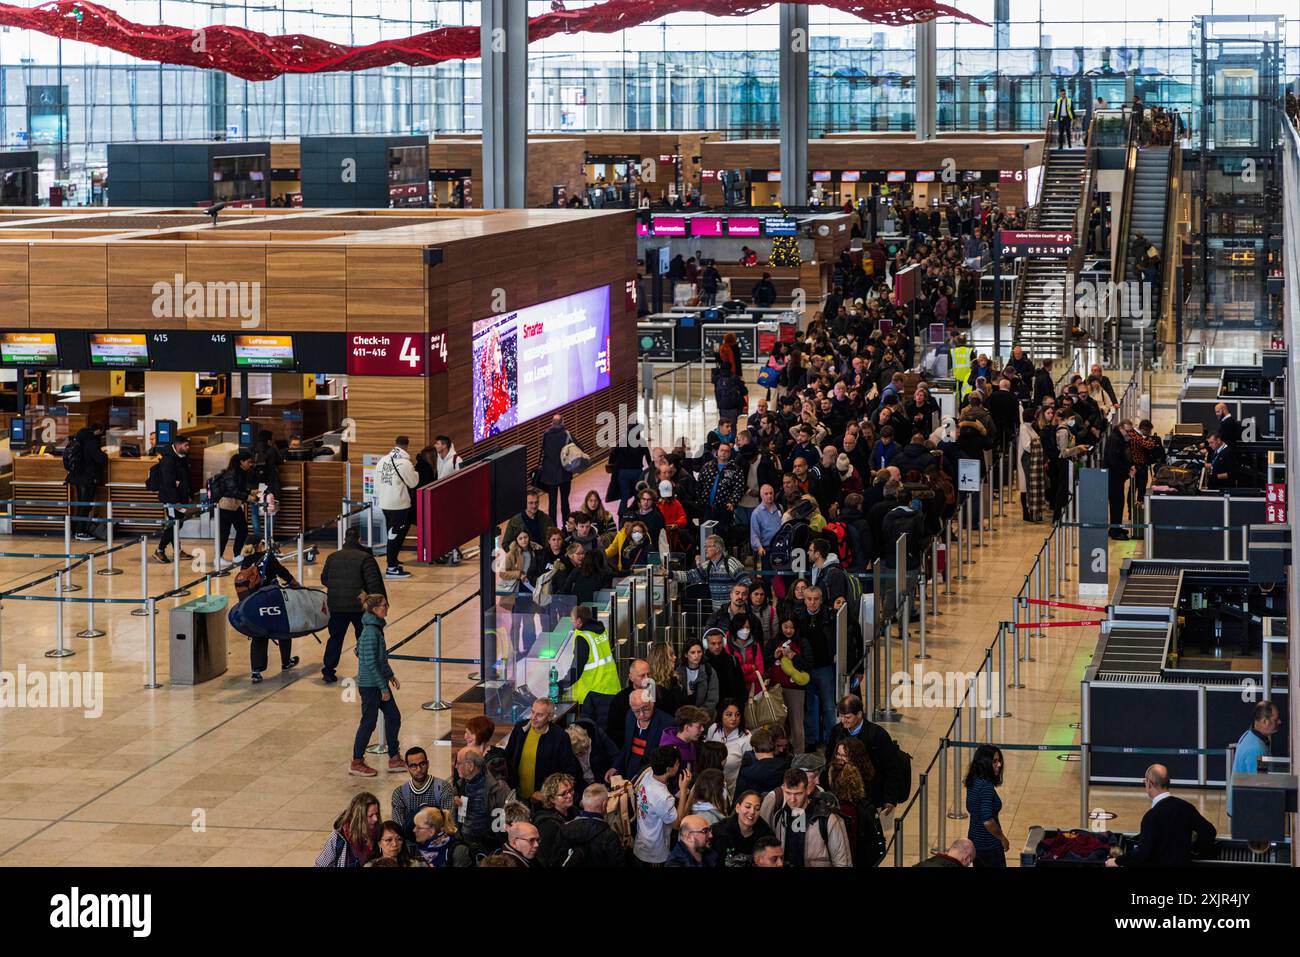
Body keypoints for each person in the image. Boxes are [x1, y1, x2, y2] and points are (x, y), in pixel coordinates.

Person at [1107, 764, 1217, 867]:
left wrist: (1117, 861)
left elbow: (1142, 853)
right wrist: (1192, 850)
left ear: (1149, 783)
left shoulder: (1151, 817)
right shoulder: (1186, 807)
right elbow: (1209, 832)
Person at [319, 527, 385, 684]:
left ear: (344, 539)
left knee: (335, 638)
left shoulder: (332, 557)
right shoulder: (365, 558)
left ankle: (328, 671)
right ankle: (367, 670)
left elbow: (324, 579)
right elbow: (373, 583)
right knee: (363, 639)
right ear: (359, 540)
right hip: (359, 607)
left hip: (336, 606)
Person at [825, 695, 905, 816]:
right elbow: (829, 760)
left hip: (872, 796)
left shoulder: (878, 735)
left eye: (847, 717)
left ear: (859, 714)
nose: (843, 720)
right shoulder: (837, 731)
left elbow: (892, 768)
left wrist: (889, 799)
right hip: (843, 797)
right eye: (841, 716)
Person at [349, 591, 401, 777]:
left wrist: (390, 675)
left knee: (393, 717)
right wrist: (382, 687)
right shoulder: (371, 631)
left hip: (378, 683)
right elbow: (370, 662)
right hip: (371, 686)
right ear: (374, 609)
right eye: (384, 605)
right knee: (368, 723)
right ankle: (357, 761)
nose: (387, 607)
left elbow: (380, 659)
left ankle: (394, 757)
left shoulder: (376, 628)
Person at [238, 541, 300, 684]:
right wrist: (293, 582)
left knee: (258, 633)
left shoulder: (246, 561)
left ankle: (256, 670)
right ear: (260, 544)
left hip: (254, 601)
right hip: (271, 596)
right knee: (283, 626)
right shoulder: (267, 556)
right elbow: (281, 570)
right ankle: (286, 661)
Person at [764, 767, 852, 867]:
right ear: (783, 789)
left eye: (798, 794)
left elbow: (843, 862)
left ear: (807, 791)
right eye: (788, 793)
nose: (792, 799)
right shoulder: (779, 817)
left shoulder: (827, 819)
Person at [503, 697, 580, 804]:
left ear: (550, 717)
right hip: (517, 795)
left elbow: (567, 772)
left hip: (543, 800)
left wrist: (546, 793)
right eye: (533, 712)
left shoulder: (560, 737)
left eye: (540, 715)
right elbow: (508, 756)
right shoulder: (520, 729)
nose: (533, 718)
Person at [633, 745, 690, 866]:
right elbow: (676, 824)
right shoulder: (663, 797)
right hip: (654, 854)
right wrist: (684, 790)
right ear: (669, 769)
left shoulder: (647, 774)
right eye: (676, 764)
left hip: (640, 842)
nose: (678, 766)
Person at [453, 748, 514, 854]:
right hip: (464, 845)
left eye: (458, 763)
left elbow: (504, 824)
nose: (456, 766)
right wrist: (451, 800)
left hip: (489, 849)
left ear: (470, 766)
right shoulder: (461, 784)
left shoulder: (498, 788)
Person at [375, 435, 419, 579]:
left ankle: (392, 562)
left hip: (385, 504)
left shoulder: (383, 460)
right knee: (395, 536)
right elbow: (413, 483)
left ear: (395, 444)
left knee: (391, 534)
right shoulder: (404, 463)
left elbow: (377, 482)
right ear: (406, 446)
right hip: (398, 505)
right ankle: (391, 568)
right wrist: (416, 474)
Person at [1228, 700, 1282, 817]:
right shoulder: (1256, 750)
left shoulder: (1249, 734)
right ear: (1265, 721)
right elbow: (1259, 786)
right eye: (1276, 719)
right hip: (1245, 813)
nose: (1279, 722)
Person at [554, 783, 625, 867]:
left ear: (583, 803)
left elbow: (556, 860)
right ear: (604, 804)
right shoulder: (610, 836)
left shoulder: (565, 829)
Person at [391, 746, 454, 840]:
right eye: (413, 766)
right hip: (411, 847)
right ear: (407, 767)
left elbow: (448, 823)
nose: (419, 769)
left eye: (422, 764)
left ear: (428, 764)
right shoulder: (399, 794)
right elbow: (399, 829)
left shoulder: (443, 788)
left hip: (437, 844)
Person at [611, 687, 673, 781]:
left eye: (645, 709)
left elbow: (665, 758)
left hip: (651, 775)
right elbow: (627, 746)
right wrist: (615, 767)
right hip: (629, 772)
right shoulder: (630, 716)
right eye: (636, 711)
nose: (641, 715)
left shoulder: (667, 723)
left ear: (652, 703)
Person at [964, 744, 1009, 867]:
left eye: (999, 760)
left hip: (974, 842)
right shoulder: (986, 787)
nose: (999, 765)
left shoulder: (973, 780)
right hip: (989, 845)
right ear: (985, 763)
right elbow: (987, 820)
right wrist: (1002, 838)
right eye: (994, 762)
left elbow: (971, 808)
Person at [153, 434, 193, 564]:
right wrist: (174, 501)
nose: (188, 448)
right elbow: (168, 483)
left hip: (180, 497)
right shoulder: (168, 460)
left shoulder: (182, 457)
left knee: (177, 523)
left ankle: (177, 550)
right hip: (171, 499)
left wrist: (188, 495)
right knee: (173, 524)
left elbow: (184, 479)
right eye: (186, 445)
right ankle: (159, 550)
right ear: (178, 445)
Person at [212, 451, 256, 566]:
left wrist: (249, 492)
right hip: (225, 506)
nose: (250, 464)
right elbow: (233, 491)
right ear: (241, 462)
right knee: (224, 533)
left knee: (243, 529)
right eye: (248, 462)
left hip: (235, 506)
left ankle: (237, 555)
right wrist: (248, 497)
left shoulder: (240, 472)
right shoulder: (232, 473)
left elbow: (238, 488)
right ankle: (218, 557)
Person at [64, 425, 107, 541]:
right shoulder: (91, 442)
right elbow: (100, 458)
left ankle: (77, 529)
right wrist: (104, 454)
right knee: (85, 505)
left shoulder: (78, 440)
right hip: (87, 479)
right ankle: (80, 531)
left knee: (81, 504)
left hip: (76, 478)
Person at [315, 792, 380, 867]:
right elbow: (321, 865)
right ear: (358, 817)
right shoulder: (338, 838)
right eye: (370, 816)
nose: (376, 819)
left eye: (377, 814)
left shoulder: (380, 834)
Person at [712, 790, 775, 866]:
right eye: (748, 806)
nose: (752, 812)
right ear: (738, 808)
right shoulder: (720, 831)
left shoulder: (766, 834)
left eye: (757, 808)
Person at [533, 772, 577, 866]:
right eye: (563, 794)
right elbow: (546, 859)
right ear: (551, 799)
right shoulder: (547, 825)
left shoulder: (574, 811)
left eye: (571, 790)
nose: (569, 796)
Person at [734, 726, 790, 799]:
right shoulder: (786, 767)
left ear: (754, 749)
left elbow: (739, 799)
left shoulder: (746, 773)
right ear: (774, 746)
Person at [539, 415, 574, 524]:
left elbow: (544, 451)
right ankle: (566, 525)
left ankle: (552, 527)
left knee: (552, 503)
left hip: (550, 474)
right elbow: (577, 448)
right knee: (565, 501)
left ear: (552, 423)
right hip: (564, 473)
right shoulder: (566, 434)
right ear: (562, 422)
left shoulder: (546, 435)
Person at [1104, 419, 1135, 539]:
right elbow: (1114, 460)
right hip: (1113, 476)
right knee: (1116, 502)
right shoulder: (1115, 439)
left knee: (1119, 502)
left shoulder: (1120, 438)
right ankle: (1114, 530)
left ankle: (1116, 526)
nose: (1129, 433)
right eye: (1127, 431)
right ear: (1121, 428)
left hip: (1117, 476)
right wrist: (1126, 470)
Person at [677, 636, 720, 716]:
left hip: (705, 718)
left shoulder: (709, 671)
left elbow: (712, 699)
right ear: (686, 654)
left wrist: (698, 716)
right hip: (683, 717)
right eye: (693, 652)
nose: (696, 655)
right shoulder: (678, 672)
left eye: (699, 652)